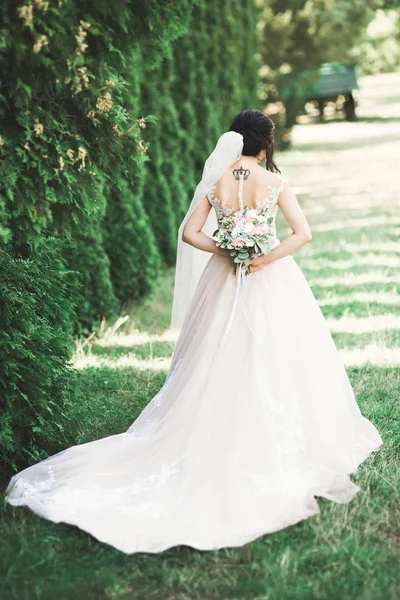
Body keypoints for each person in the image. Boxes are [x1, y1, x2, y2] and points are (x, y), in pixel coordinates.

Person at [5, 109, 383, 554]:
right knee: (277, 351)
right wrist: (263, 256)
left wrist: (226, 245)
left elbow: (189, 233)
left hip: (222, 277)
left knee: (214, 351)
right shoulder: (274, 183)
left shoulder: (218, 181)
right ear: (264, 144)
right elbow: (303, 234)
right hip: (270, 278)